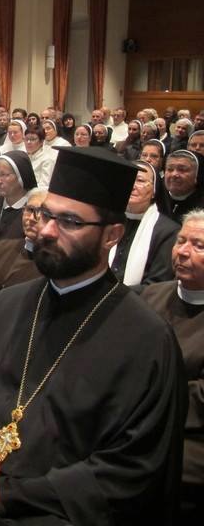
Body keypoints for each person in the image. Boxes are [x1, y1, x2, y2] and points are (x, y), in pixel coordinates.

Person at [0, 146, 186, 524]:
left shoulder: (147, 340)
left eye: (70, 221)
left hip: (60, 514)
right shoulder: (6, 307)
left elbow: (132, 471)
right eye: (47, 214)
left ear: (112, 235)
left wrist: (10, 496)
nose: (47, 230)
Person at [141, 211, 204, 523]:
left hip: (189, 433)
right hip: (133, 417)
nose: (182, 251)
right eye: (180, 241)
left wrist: (147, 399)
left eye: (198, 245)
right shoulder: (151, 296)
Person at [109, 161, 178, 291]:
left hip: (137, 300)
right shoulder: (106, 220)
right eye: (127, 179)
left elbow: (157, 283)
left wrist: (113, 293)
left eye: (140, 180)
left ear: (154, 191)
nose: (132, 185)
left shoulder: (168, 231)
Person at [159, 149, 204, 223]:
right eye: (170, 169)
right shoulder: (156, 196)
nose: (174, 174)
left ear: (197, 175)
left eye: (182, 170)